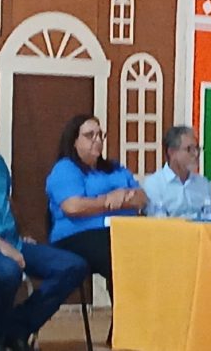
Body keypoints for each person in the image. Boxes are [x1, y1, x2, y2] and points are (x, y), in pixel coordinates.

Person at [0, 94, 87, 351]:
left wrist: (21, 232)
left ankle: (13, 328)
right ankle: (1, 336)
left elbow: (7, 202)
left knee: (73, 266)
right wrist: (0, 245)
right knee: (8, 270)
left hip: (11, 241)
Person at [46, 114, 146, 297]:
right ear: (74, 141)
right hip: (78, 235)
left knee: (152, 250)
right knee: (122, 256)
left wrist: (122, 195)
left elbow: (141, 198)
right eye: (89, 135)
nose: (98, 140)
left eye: (100, 135)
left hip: (123, 231)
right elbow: (73, 206)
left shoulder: (115, 168)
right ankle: (126, 312)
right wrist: (109, 200)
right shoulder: (66, 168)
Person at [142, 126, 211, 217]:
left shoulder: (202, 183)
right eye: (190, 149)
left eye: (197, 149)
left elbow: (210, 218)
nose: (196, 154)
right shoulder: (154, 185)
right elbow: (157, 222)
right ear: (172, 152)